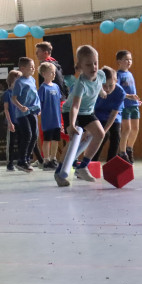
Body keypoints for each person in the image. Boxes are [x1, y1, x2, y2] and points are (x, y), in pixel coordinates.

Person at [56, 45, 109, 188]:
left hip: (87, 111)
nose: (93, 67)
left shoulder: (101, 75)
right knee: (74, 141)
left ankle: (82, 166)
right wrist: (71, 125)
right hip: (71, 111)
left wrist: (103, 92)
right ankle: (59, 172)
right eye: (88, 64)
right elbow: (74, 106)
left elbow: (100, 88)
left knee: (100, 133)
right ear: (80, 66)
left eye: (95, 63)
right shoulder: (81, 84)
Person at [90, 66, 126, 165]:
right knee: (101, 137)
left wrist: (105, 130)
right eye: (104, 85)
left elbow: (114, 114)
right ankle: (92, 162)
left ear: (116, 81)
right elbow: (90, 109)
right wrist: (101, 133)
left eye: (111, 85)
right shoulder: (94, 88)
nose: (108, 89)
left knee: (115, 136)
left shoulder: (120, 92)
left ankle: (111, 163)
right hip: (97, 113)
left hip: (113, 114)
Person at [11, 57, 41, 173]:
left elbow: (35, 95)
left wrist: (38, 108)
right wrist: (21, 107)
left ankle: (27, 159)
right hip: (22, 113)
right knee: (27, 135)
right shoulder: (19, 82)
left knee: (34, 136)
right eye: (31, 67)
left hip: (33, 111)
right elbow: (13, 99)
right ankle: (21, 160)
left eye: (34, 66)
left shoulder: (32, 80)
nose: (33, 68)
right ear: (22, 68)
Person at [115, 50, 141, 164]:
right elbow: (117, 91)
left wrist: (136, 99)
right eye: (126, 59)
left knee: (135, 129)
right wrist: (129, 97)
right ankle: (122, 152)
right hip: (124, 105)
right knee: (127, 129)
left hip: (133, 105)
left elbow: (132, 90)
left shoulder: (130, 74)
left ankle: (129, 148)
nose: (129, 62)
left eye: (130, 59)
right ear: (119, 61)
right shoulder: (118, 75)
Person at [37, 62, 63, 170]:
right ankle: (46, 160)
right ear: (44, 74)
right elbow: (39, 103)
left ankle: (53, 158)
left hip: (56, 118)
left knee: (56, 139)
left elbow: (59, 101)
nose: (53, 74)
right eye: (51, 72)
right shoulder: (42, 88)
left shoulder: (56, 87)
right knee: (47, 140)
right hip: (47, 119)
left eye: (54, 73)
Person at [2, 70, 21, 171]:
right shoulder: (7, 94)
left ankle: (21, 161)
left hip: (20, 121)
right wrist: (10, 122)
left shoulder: (20, 94)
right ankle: (10, 163)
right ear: (11, 81)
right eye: (16, 81)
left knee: (21, 142)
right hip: (12, 122)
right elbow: (6, 109)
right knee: (11, 143)